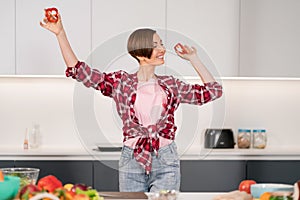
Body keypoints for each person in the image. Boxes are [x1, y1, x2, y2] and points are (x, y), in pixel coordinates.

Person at [40, 12, 223, 192]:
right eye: (156, 45)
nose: (162, 49)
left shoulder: (171, 84)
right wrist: (60, 34)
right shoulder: (121, 82)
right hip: (132, 158)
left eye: (161, 44)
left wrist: (194, 59)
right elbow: (79, 71)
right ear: (140, 53)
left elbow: (213, 92)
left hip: (166, 157)